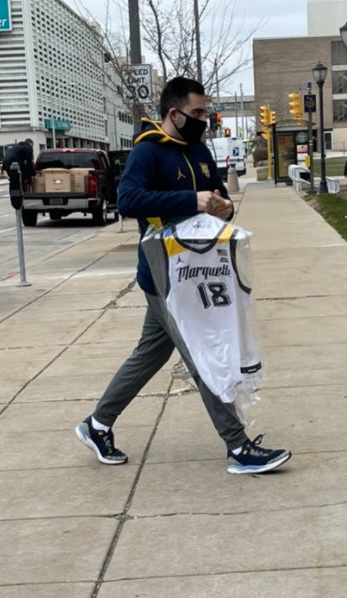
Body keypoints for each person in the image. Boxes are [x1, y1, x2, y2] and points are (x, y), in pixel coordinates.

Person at [75, 76, 291, 476]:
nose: (204, 119)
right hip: (163, 274)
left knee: (149, 354)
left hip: (200, 268)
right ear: (173, 114)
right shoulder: (149, 152)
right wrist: (191, 200)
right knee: (200, 352)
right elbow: (127, 199)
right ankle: (238, 446)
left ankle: (97, 424)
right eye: (197, 113)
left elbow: (216, 198)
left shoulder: (199, 151)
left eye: (205, 112)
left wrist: (224, 208)